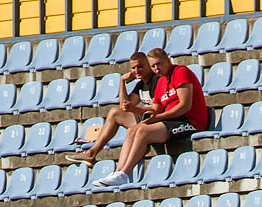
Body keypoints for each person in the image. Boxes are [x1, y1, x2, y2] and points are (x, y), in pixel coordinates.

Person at [87, 45, 207, 188]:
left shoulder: (181, 72)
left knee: (143, 131)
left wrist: (158, 117)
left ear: (167, 60)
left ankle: (125, 174)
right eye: (153, 66)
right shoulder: (161, 81)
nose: (157, 69)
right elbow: (155, 109)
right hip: (171, 121)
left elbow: (184, 106)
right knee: (133, 130)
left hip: (189, 121)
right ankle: (118, 172)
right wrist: (135, 109)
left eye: (159, 64)